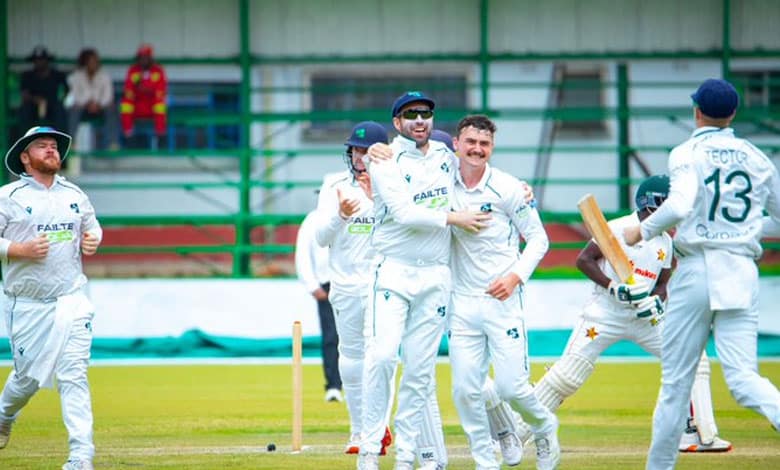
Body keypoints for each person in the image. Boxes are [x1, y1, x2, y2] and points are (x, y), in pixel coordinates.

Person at [505, 175, 732, 458]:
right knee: (567, 376)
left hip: (644, 319)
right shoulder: (618, 228)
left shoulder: (666, 241)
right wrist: (614, 287)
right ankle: (514, 434)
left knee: (694, 361)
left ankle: (696, 433)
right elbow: (584, 260)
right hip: (604, 314)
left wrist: (656, 302)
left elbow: (662, 282)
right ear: (651, 202)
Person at [622, 79, 780, 469]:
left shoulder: (687, 152)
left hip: (697, 268)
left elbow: (678, 206)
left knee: (676, 383)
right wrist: (746, 230)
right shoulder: (757, 157)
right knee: (744, 380)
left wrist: (641, 230)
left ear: (696, 111)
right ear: (734, 115)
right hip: (741, 270)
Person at [357, 92, 490, 470]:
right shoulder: (382, 159)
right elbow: (402, 213)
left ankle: (405, 457)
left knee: (419, 372)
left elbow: (482, 171)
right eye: (411, 115)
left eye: (426, 114)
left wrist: (522, 191)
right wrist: (453, 218)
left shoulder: (448, 158)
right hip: (394, 270)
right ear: (397, 123)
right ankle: (369, 451)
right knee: (382, 357)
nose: (420, 120)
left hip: (435, 275)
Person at [315, 122, 446, 467]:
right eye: (355, 150)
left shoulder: (397, 179)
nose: (360, 157)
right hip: (348, 286)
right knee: (353, 359)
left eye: (366, 150)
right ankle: (361, 431)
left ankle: (417, 443)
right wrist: (342, 216)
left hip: (391, 283)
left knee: (392, 358)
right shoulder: (335, 186)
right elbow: (320, 238)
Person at [447, 114, 560, 470]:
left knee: (511, 388)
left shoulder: (509, 187)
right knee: (467, 391)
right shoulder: (441, 182)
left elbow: (540, 239)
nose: (477, 150)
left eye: (484, 144)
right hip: (462, 302)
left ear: (491, 148)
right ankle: (486, 460)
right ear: (456, 145)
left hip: (503, 299)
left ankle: (544, 426)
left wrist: (515, 277)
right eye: (471, 142)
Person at [0, 126, 102, 470]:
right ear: (24, 158)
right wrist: (18, 249)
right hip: (26, 305)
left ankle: (81, 456)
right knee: (27, 379)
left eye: (55, 146)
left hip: (70, 299)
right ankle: (3, 415)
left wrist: (93, 239)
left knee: (73, 374)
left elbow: (92, 225)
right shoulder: (8, 196)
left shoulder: (74, 193)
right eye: (42, 146)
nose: (51, 150)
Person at [294, 208, 342, 403]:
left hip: (357, 282)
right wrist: (312, 285)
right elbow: (303, 253)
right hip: (328, 284)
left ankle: (362, 386)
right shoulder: (314, 219)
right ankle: (333, 385)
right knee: (331, 336)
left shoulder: (362, 209)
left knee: (361, 337)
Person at [66, 48, 120, 150]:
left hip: (100, 107)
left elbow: (108, 96)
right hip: (83, 107)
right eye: (90, 62)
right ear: (85, 63)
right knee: (73, 109)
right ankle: (71, 142)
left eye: (95, 62)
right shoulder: (76, 76)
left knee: (112, 108)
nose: (93, 64)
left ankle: (113, 143)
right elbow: (75, 95)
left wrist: (98, 104)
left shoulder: (104, 76)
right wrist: (88, 103)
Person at [119, 44, 167, 147]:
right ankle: (129, 137)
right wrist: (145, 90)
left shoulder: (158, 70)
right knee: (125, 104)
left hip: (152, 106)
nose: (143, 60)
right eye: (141, 57)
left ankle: (161, 137)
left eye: (145, 57)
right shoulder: (133, 70)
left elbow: (161, 91)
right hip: (137, 106)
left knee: (160, 104)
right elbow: (128, 91)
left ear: (150, 58)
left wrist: (145, 89)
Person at [18, 46, 68, 140]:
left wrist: (59, 100)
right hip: (33, 106)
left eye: (42, 60)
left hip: (52, 106)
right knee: (24, 110)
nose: (39, 62)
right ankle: (24, 141)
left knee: (60, 110)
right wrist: (35, 99)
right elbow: (24, 93)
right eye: (37, 60)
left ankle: (60, 141)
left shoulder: (57, 75)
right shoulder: (27, 75)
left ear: (47, 61)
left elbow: (66, 92)